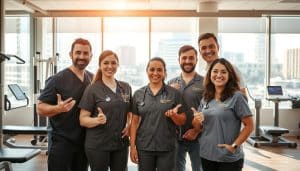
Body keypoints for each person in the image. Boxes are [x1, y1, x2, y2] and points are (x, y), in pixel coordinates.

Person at [37, 38, 93, 171]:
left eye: (85, 53)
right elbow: (40, 108)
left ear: (91, 56)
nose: (81, 56)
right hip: (61, 141)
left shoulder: (92, 78)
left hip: (83, 142)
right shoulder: (57, 79)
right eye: (78, 52)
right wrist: (58, 108)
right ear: (70, 54)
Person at [193, 58, 254, 171]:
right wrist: (197, 119)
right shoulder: (206, 98)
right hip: (206, 155)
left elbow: (249, 126)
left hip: (228, 158)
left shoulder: (237, 97)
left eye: (223, 72)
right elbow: (198, 127)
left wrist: (234, 146)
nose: (219, 75)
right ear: (210, 74)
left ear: (229, 75)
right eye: (215, 71)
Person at [130, 57, 187, 171]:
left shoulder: (174, 94)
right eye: (152, 69)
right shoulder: (138, 94)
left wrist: (174, 115)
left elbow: (183, 120)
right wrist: (132, 147)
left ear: (165, 72)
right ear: (147, 71)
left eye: (159, 70)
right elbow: (134, 122)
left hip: (167, 148)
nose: (155, 73)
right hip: (144, 147)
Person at [78, 50, 131, 171]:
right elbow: (82, 119)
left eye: (113, 63)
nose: (110, 66)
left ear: (118, 65)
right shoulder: (92, 89)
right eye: (106, 63)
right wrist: (97, 120)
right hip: (98, 145)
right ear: (100, 65)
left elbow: (130, 111)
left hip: (120, 143)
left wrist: (129, 124)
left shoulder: (126, 87)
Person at [168, 45, 204, 171]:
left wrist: (196, 131)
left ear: (196, 60)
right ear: (179, 60)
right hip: (176, 137)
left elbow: (209, 110)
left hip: (199, 137)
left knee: (198, 168)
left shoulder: (205, 82)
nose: (187, 61)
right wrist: (170, 92)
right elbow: (166, 109)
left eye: (191, 58)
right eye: (184, 58)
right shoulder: (171, 83)